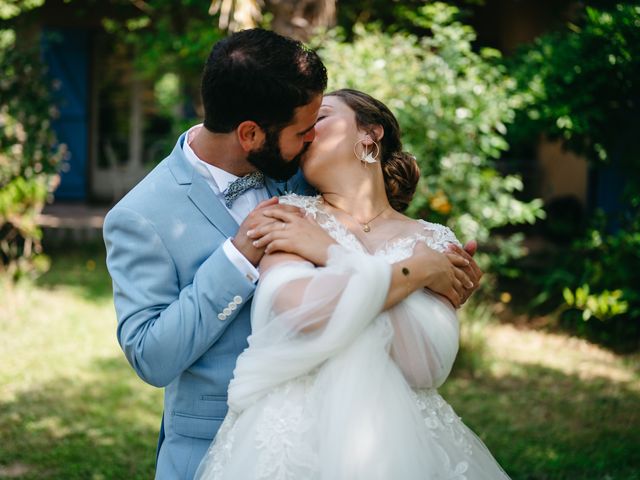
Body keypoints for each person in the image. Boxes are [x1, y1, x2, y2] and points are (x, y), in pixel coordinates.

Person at [103, 30, 481, 479]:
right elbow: (151, 356)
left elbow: (367, 218)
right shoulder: (141, 216)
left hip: (351, 434)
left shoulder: (300, 176)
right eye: (304, 130)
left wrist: (435, 273)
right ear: (250, 134)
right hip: (221, 447)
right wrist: (237, 259)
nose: (310, 140)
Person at [195, 89, 508, 479]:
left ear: (370, 134)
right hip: (293, 441)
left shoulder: (434, 242)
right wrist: (414, 275)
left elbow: (426, 364)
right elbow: (301, 311)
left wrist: (330, 255)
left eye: (321, 118)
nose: (307, 132)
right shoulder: (291, 216)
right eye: (303, 126)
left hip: (404, 444)